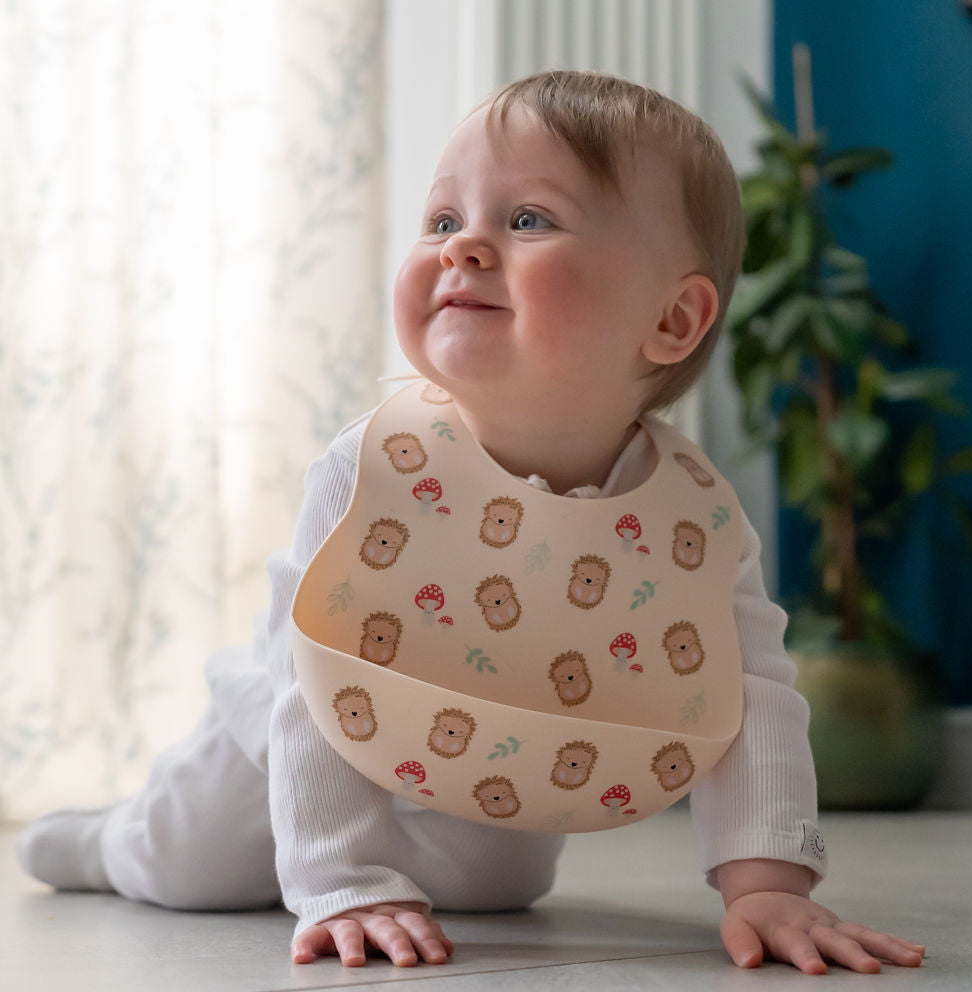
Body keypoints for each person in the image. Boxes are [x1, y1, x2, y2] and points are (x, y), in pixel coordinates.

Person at [17, 70, 925, 976]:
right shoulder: (373, 466)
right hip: (298, 722)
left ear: (673, 318)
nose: (462, 247)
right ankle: (105, 841)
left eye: (527, 219)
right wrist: (344, 881)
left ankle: (379, 845)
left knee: (501, 881)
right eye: (443, 219)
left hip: (490, 738)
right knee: (194, 867)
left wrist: (768, 884)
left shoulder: (694, 518)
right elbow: (313, 680)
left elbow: (750, 695)